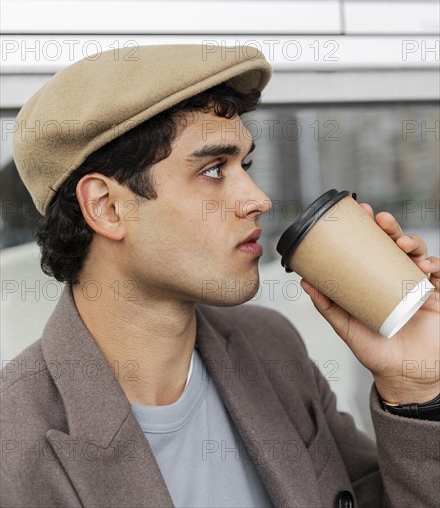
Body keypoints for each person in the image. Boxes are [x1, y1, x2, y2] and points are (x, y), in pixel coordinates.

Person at [1, 44, 438, 508]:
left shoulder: (270, 347)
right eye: (213, 169)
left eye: (244, 166)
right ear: (108, 208)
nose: (258, 199)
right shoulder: (16, 441)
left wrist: (415, 387)